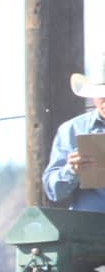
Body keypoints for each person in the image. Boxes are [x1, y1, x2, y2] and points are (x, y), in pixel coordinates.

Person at [41, 55, 105, 213]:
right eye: (100, 94)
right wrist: (71, 170)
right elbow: (52, 191)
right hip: (90, 231)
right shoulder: (73, 129)